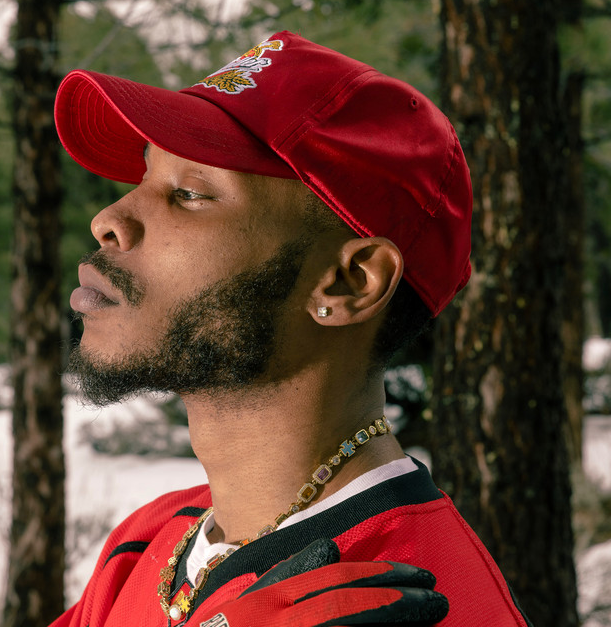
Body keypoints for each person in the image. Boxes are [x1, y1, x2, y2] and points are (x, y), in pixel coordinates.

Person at [50, 31, 531, 627]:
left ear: (350, 283)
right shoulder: (149, 540)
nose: (109, 219)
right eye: (145, 177)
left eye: (189, 194)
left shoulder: (424, 605)